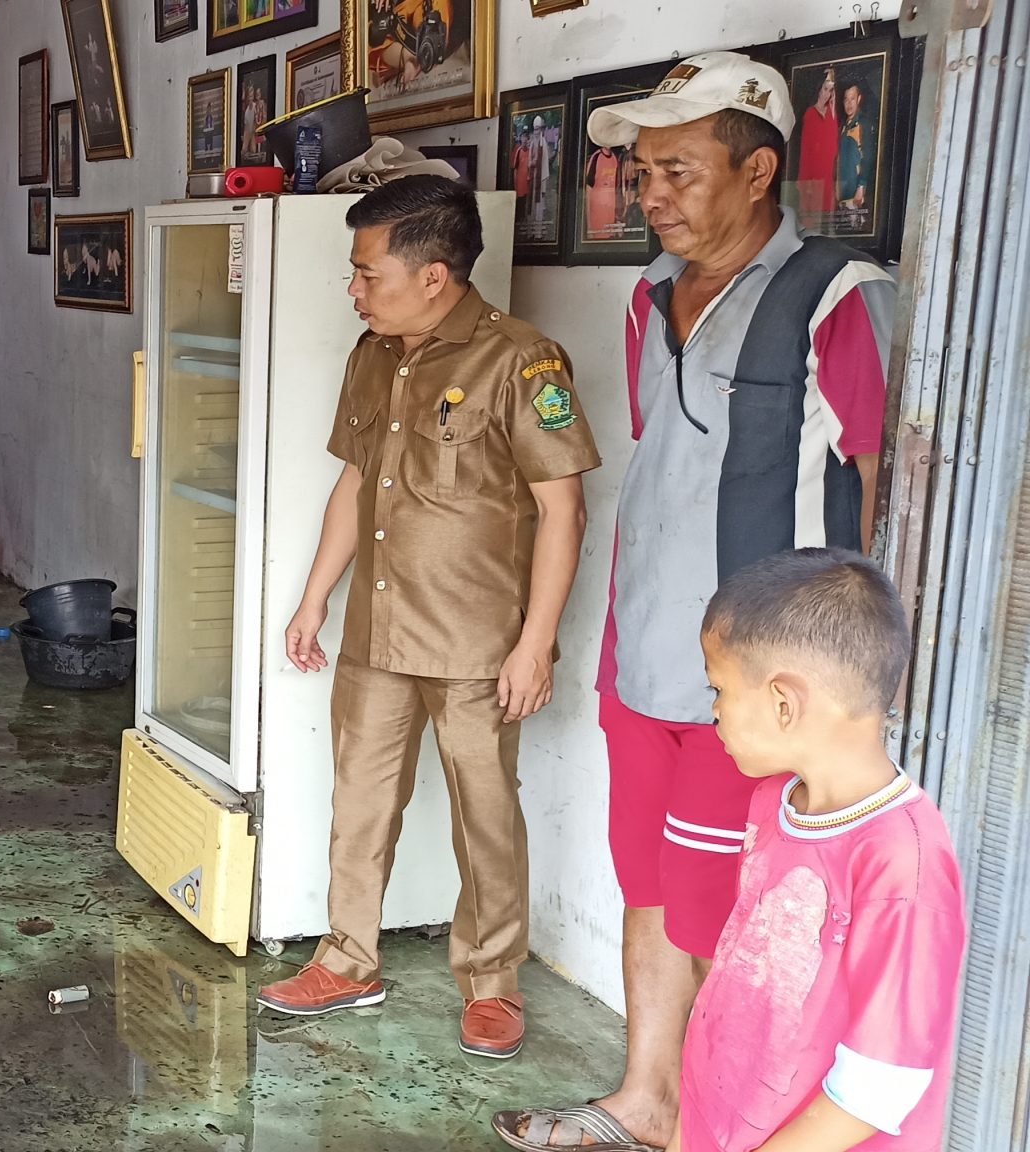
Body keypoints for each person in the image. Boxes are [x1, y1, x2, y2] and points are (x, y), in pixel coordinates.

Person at [495, 51, 895, 1152]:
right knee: (653, 892)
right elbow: (664, 462)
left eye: (675, 169)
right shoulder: (645, 298)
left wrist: (837, 688)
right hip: (647, 656)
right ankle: (647, 1101)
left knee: (744, 918)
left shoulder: (834, 297)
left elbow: (879, 484)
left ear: (757, 170)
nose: (646, 193)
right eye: (639, 169)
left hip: (765, 690)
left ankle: (734, 1128)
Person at [253, 176, 599, 1065]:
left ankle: (492, 984)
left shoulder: (522, 361)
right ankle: (347, 959)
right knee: (360, 803)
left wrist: (535, 645)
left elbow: (564, 510)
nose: (355, 289)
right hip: (379, 630)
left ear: (435, 275)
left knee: (486, 814)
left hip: (480, 643)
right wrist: (316, 594)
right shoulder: (374, 355)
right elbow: (357, 480)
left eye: (368, 273)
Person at [674, 549, 963, 1152]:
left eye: (719, 687)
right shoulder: (774, 801)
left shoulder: (901, 863)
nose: (716, 710)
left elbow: (877, 1090)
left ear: (785, 702)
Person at [796, 68, 840, 223]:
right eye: (825, 89)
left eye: (831, 90)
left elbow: (834, 147)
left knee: (827, 222)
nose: (827, 93)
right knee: (810, 222)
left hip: (827, 176)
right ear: (819, 89)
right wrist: (806, 182)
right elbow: (806, 151)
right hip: (813, 177)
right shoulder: (810, 114)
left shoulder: (832, 114)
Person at [836, 81, 873, 221]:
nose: (849, 103)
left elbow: (868, 157)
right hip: (843, 192)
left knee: (855, 228)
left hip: (855, 193)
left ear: (858, 99)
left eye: (852, 98)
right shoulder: (843, 126)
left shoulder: (863, 123)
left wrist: (861, 187)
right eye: (846, 99)